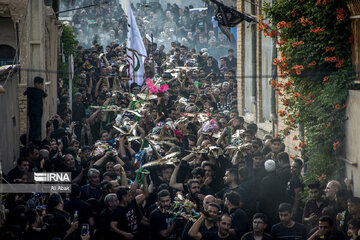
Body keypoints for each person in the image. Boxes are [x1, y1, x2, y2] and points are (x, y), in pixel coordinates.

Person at [24, 76, 47, 142]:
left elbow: (24, 93)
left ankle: (31, 140)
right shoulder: (40, 91)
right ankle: (36, 141)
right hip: (38, 113)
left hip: (31, 112)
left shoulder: (30, 89)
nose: (42, 86)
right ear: (36, 84)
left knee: (32, 127)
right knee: (37, 127)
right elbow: (45, 95)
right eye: (41, 84)